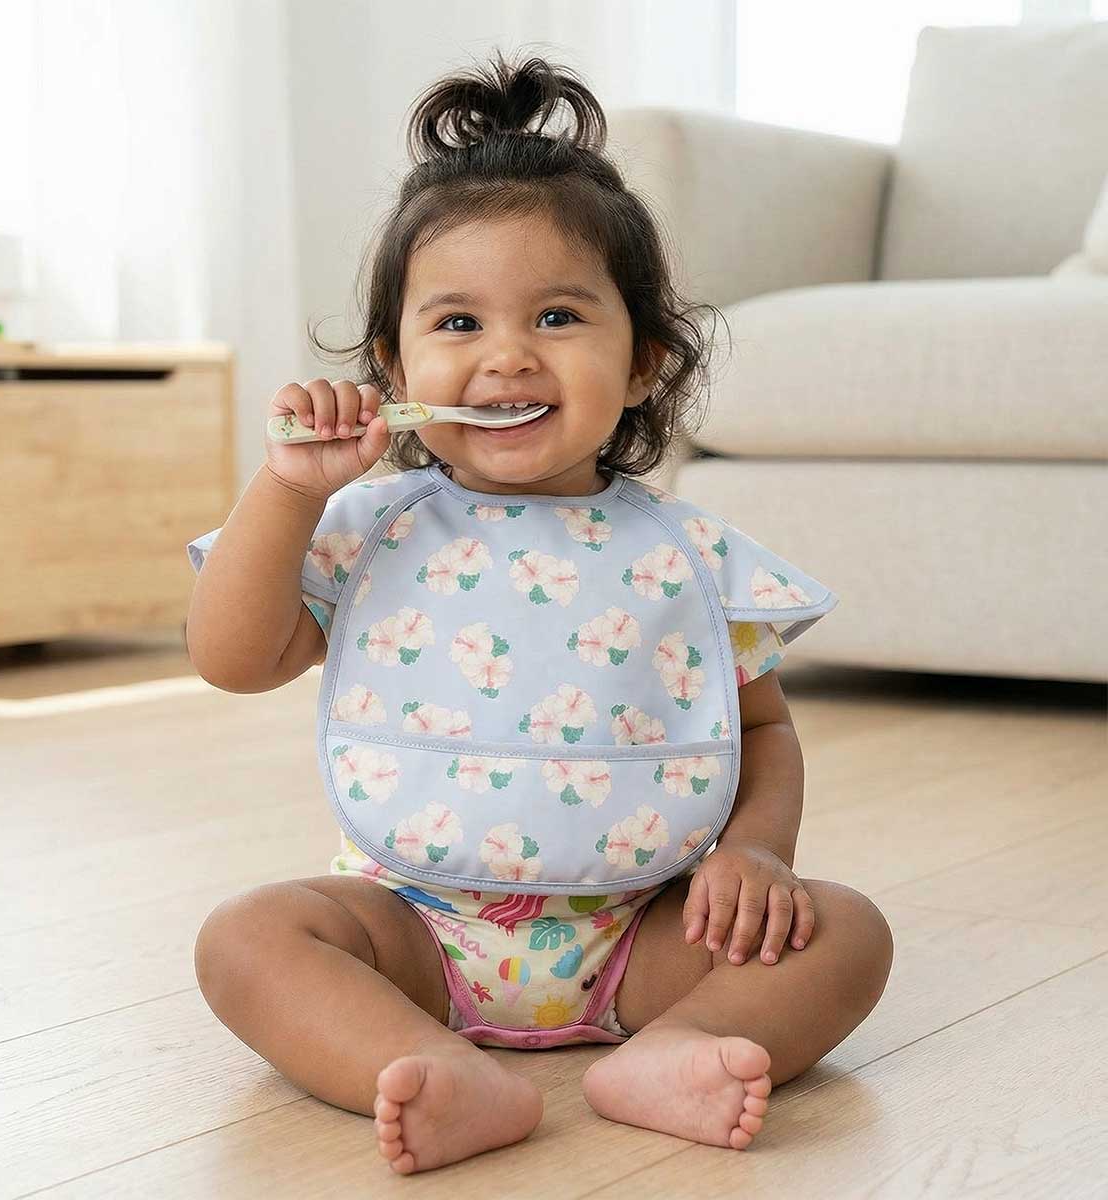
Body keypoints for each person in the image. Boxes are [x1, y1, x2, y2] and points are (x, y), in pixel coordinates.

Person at [184, 50, 893, 1176]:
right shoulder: (366, 529)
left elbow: (761, 731)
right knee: (246, 938)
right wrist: (288, 489)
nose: (507, 355)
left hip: (645, 931)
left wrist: (758, 850)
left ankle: (678, 1048)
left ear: (644, 360)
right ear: (394, 367)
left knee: (846, 930)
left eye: (558, 316)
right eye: (458, 323)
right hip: (413, 930)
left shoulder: (691, 557)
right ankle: (421, 1060)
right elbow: (231, 658)